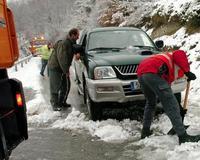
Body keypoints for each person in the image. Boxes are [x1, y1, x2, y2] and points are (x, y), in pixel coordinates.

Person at [137, 49, 200, 144]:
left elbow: (169, 91)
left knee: (151, 103)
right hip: (152, 71)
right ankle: (183, 137)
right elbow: (179, 53)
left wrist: (179, 107)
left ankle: (145, 132)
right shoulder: (175, 57)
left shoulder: (165, 64)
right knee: (171, 105)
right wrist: (187, 72)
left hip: (141, 72)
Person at [47, 28, 80, 111]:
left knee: (66, 86)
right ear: (72, 35)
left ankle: (62, 102)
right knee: (55, 87)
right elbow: (62, 58)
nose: (78, 37)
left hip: (62, 68)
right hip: (55, 67)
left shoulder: (71, 42)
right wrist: (66, 71)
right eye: (77, 35)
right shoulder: (64, 43)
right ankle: (55, 104)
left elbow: (75, 48)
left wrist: (77, 53)